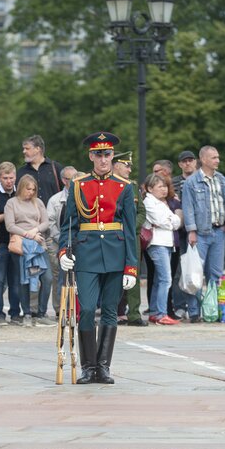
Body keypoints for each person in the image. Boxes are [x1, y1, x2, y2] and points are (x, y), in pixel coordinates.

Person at [59, 132, 137, 385]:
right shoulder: (79, 185)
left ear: (113, 156)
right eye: (99, 154)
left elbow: (130, 229)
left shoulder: (124, 187)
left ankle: (103, 367)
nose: (103, 159)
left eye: (108, 154)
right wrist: (63, 251)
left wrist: (131, 266)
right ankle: (88, 367)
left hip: (116, 252)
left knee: (110, 312)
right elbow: (68, 224)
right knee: (88, 309)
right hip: (87, 252)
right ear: (91, 156)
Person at [182, 146, 225, 323]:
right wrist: (192, 231)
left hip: (218, 231)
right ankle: (195, 312)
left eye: (218, 157)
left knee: (216, 274)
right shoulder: (192, 182)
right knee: (195, 275)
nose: (217, 160)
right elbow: (188, 208)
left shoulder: (221, 179)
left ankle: (212, 310)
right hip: (201, 233)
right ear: (203, 159)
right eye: (213, 157)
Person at [5, 174, 54, 327]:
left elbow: (46, 222)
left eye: (33, 189)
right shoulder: (11, 203)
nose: (31, 192)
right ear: (21, 188)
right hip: (21, 245)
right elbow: (10, 225)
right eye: (28, 189)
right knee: (24, 280)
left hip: (38, 244)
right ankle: (26, 312)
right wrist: (27, 234)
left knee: (47, 278)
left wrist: (35, 230)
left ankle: (41, 312)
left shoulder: (38, 202)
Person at [111, 151, 147, 326]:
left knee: (133, 273)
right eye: (127, 165)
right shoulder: (108, 184)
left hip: (132, 237)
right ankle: (112, 312)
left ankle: (133, 313)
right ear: (116, 165)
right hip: (113, 236)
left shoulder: (132, 186)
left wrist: (132, 227)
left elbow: (141, 211)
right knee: (112, 275)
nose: (129, 169)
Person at [143, 174, 182, 325]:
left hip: (166, 242)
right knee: (166, 279)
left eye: (165, 186)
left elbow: (176, 222)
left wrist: (169, 221)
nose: (164, 190)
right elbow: (161, 221)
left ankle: (154, 311)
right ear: (150, 188)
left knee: (160, 280)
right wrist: (170, 221)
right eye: (160, 187)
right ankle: (161, 313)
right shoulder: (149, 202)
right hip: (157, 243)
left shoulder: (161, 203)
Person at [46, 165, 78, 318]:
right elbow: (50, 222)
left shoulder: (80, 196)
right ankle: (60, 308)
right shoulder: (55, 200)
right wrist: (61, 239)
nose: (71, 182)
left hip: (77, 243)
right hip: (57, 241)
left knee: (76, 276)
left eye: (74, 178)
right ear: (63, 180)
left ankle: (74, 308)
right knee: (59, 276)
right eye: (68, 179)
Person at [0, 161, 20, 325]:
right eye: (5, 178)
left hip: (16, 242)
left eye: (11, 177)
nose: (9, 181)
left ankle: (15, 313)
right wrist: (6, 216)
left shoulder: (20, 193)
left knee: (15, 281)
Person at [17, 134, 66, 204]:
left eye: (27, 148)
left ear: (37, 149)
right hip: (29, 214)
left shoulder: (56, 168)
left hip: (53, 213)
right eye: (23, 149)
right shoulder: (21, 172)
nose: (24, 151)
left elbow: (66, 191)